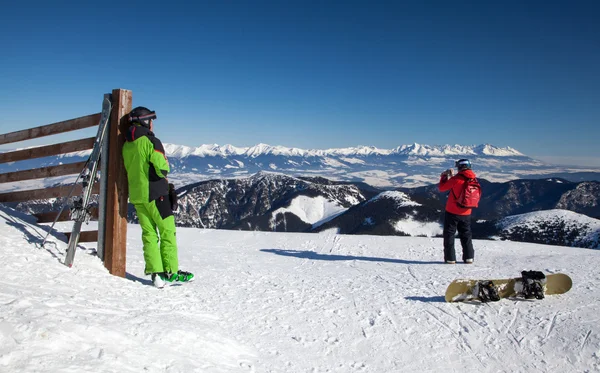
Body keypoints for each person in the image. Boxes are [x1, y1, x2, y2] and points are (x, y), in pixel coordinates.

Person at [122, 106, 194, 288]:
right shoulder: (151, 142)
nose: (152, 123)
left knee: (149, 234)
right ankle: (171, 272)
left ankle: (157, 274)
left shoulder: (127, 144)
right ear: (145, 121)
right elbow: (162, 169)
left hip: (138, 196)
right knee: (167, 232)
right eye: (151, 120)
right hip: (156, 195)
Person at [438, 159, 476, 264]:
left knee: (449, 234)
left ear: (459, 167)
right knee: (466, 234)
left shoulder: (456, 179)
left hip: (452, 211)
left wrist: (444, 176)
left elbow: (442, 188)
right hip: (467, 212)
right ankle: (469, 257)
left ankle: (450, 258)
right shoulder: (473, 179)